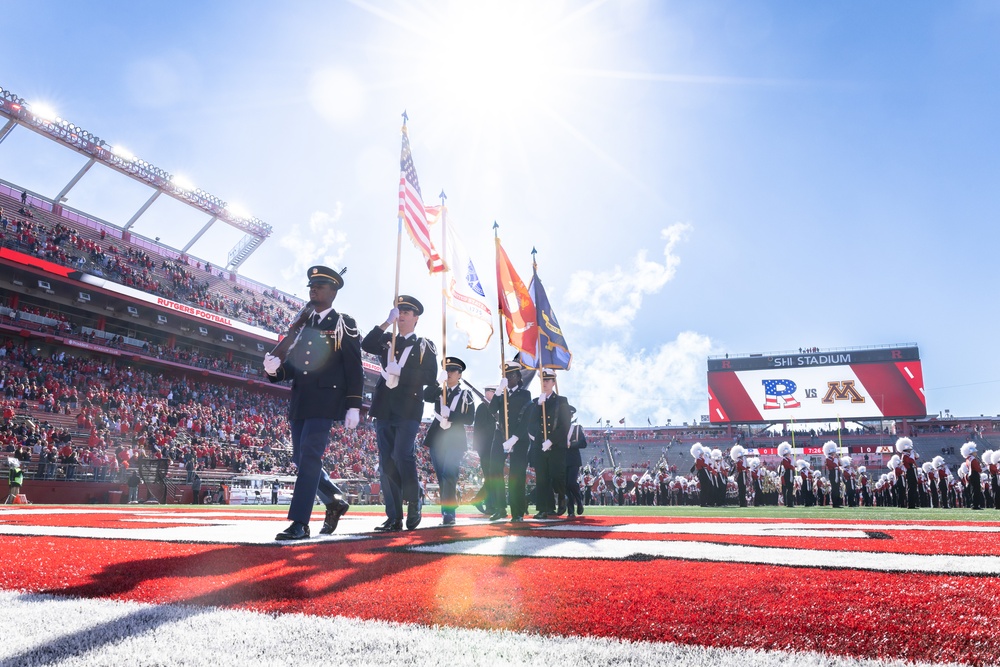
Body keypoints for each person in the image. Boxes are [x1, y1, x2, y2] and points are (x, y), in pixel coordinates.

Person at [264, 265, 363, 540]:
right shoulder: (304, 325)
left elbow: (354, 367)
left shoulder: (344, 323)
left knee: (309, 457)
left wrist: (354, 404)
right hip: (301, 399)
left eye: (320, 285)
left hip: (325, 399)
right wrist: (276, 370)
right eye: (311, 285)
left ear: (333, 291)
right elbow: (294, 367)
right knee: (300, 457)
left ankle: (300, 522)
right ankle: (333, 499)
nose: (313, 289)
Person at [362, 295, 437, 531]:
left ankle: (414, 501)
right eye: (399, 311)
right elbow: (365, 345)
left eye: (406, 312)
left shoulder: (424, 345)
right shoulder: (386, 339)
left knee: (402, 454)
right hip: (384, 406)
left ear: (416, 318)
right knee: (386, 462)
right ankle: (394, 516)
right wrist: (385, 322)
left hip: (408, 407)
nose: (401, 315)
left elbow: (429, 377)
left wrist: (401, 373)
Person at [422, 356, 475, 526]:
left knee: (449, 473)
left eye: (453, 370)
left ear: (460, 374)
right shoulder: (439, 390)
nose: (449, 373)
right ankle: (447, 509)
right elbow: (426, 396)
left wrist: (451, 415)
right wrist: (438, 382)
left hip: (455, 439)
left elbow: (470, 418)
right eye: (447, 370)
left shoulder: (466, 394)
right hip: (438, 438)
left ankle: (449, 513)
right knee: (441, 476)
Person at [522, 370, 571, 519]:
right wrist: (538, 405)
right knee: (542, 478)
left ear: (554, 383)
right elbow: (531, 424)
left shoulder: (561, 400)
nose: (545, 383)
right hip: (540, 446)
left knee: (556, 475)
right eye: (543, 380)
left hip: (556, 446)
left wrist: (551, 440)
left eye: (548, 380)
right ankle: (544, 509)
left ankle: (562, 496)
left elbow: (565, 425)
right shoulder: (536, 402)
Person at [488, 362, 533, 522]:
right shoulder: (501, 394)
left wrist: (514, 438)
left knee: (516, 475)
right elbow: (492, 409)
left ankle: (518, 512)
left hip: (518, 439)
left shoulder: (524, 395)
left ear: (519, 377)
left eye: (511, 375)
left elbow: (526, 419)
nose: (507, 378)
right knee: (494, 471)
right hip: (500, 436)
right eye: (505, 375)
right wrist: (499, 391)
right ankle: (499, 508)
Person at [470, 385, 498, 515]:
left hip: (491, 447)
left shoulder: (490, 407)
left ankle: (486, 502)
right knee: (490, 476)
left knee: (491, 477)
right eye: (493, 392)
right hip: (486, 447)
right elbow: (482, 430)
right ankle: (488, 504)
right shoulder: (483, 407)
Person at [563, 406, 587, 518]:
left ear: (572, 416)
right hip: (562, 460)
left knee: (572, 483)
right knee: (566, 486)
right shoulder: (559, 428)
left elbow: (583, 443)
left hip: (573, 459)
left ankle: (579, 499)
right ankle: (571, 511)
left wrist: (570, 445)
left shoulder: (577, 429)